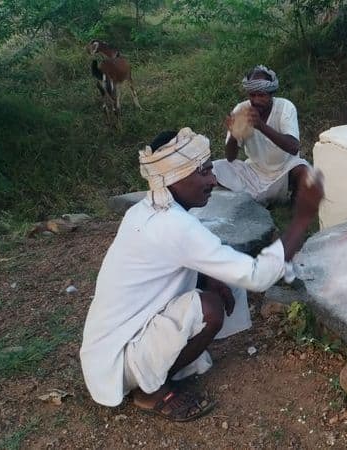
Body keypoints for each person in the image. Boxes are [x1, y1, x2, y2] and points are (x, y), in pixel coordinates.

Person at [79, 127, 323, 421]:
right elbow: (256, 276)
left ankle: (156, 366)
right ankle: (149, 391)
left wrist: (208, 277)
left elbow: (177, 260)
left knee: (218, 277)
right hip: (120, 361)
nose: (213, 180)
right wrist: (302, 218)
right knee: (210, 309)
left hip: (107, 352)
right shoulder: (174, 225)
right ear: (175, 177)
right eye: (204, 172)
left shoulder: (148, 210)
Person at [213, 64, 312, 204]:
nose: (256, 100)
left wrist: (261, 126)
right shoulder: (241, 109)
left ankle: (293, 200)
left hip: (284, 170)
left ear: (271, 94)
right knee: (214, 169)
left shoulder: (285, 107)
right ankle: (252, 198)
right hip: (255, 172)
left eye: (261, 95)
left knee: (304, 171)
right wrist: (233, 134)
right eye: (252, 95)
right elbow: (230, 157)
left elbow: (294, 147)